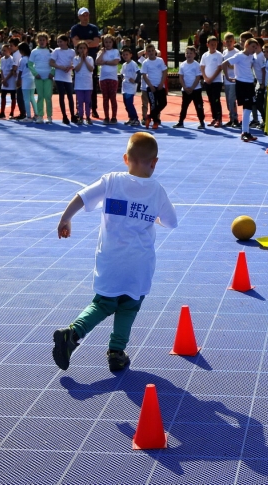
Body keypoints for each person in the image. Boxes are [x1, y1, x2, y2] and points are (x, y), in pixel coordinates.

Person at [52, 132, 178, 372]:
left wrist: (65, 219)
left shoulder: (111, 181)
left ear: (125, 158)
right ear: (155, 162)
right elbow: (171, 222)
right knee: (129, 306)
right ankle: (116, 352)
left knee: (102, 303)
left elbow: (82, 196)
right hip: (139, 265)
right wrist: (155, 218)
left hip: (110, 261)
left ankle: (73, 333)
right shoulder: (156, 190)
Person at [222, 37, 260, 142]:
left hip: (249, 84)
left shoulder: (251, 56)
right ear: (246, 46)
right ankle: (244, 132)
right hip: (242, 84)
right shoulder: (239, 56)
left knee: (248, 108)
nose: (254, 49)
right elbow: (224, 64)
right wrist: (228, 78)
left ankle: (246, 132)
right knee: (247, 108)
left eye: (255, 47)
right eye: (253, 47)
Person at [70, 8, 102, 118]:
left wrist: (83, 41)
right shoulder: (75, 28)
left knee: (92, 85)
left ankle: (93, 108)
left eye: (87, 15)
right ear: (79, 16)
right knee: (78, 86)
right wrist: (89, 41)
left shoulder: (93, 28)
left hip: (91, 59)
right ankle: (78, 110)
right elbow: (75, 43)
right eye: (83, 15)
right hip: (78, 60)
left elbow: (96, 43)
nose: (85, 17)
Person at [174, 46, 205, 129]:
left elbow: (198, 77)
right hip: (185, 90)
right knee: (184, 107)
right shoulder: (182, 65)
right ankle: (180, 122)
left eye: (191, 53)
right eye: (187, 53)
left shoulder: (196, 65)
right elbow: (181, 77)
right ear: (185, 54)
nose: (189, 55)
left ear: (194, 54)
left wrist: (192, 88)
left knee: (199, 106)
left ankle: (202, 122)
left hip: (196, 90)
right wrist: (184, 87)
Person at [50, 34, 77, 125]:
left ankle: (73, 115)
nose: (59, 43)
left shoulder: (72, 51)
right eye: (58, 41)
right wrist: (59, 67)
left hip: (68, 77)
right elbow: (51, 62)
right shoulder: (56, 51)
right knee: (62, 96)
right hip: (59, 77)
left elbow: (75, 63)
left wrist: (70, 67)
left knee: (70, 96)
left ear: (66, 42)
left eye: (61, 41)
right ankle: (64, 116)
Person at [141, 43, 168, 129]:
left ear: (155, 51)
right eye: (149, 51)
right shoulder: (145, 63)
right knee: (153, 104)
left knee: (163, 103)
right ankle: (155, 122)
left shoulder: (160, 60)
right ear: (146, 53)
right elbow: (144, 75)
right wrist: (150, 86)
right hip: (150, 87)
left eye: (152, 50)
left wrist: (161, 83)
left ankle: (149, 116)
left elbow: (164, 72)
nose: (151, 52)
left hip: (160, 85)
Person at [30, 32, 54, 124]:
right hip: (38, 77)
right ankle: (40, 116)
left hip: (48, 77)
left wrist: (52, 72)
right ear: (37, 41)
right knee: (40, 97)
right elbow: (30, 64)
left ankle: (49, 116)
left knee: (48, 97)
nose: (42, 41)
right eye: (40, 40)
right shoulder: (34, 51)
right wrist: (35, 74)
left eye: (43, 40)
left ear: (47, 41)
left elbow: (54, 63)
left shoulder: (51, 51)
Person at [200, 36, 224, 128]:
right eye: (211, 44)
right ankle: (214, 117)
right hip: (207, 82)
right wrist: (206, 78)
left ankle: (219, 119)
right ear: (207, 45)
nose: (213, 46)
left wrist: (211, 78)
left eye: (215, 44)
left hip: (216, 82)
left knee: (216, 100)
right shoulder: (205, 55)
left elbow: (219, 68)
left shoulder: (219, 55)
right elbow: (202, 67)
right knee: (210, 100)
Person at [96, 34, 121, 124]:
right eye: (106, 42)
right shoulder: (101, 52)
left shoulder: (115, 51)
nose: (108, 44)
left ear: (112, 42)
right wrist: (102, 53)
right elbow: (97, 62)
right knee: (105, 98)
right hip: (103, 77)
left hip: (112, 78)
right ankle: (106, 116)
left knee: (113, 98)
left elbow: (115, 62)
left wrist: (105, 62)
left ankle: (114, 116)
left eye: (109, 42)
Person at [73, 41, 95, 125]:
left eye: (84, 48)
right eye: (80, 48)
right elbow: (77, 69)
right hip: (79, 85)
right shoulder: (75, 59)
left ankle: (88, 117)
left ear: (87, 49)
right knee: (80, 102)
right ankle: (81, 117)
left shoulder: (90, 59)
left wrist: (85, 60)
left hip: (88, 85)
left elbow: (91, 69)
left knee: (87, 101)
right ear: (78, 49)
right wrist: (81, 60)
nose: (82, 50)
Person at [221, 32, 239, 128]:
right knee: (228, 100)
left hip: (233, 79)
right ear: (224, 42)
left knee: (232, 100)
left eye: (230, 41)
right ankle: (231, 118)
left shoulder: (236, 52)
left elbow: (235, 65)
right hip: (226, 79)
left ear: (234, 42)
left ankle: (235, 118)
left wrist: (227, 65)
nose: (228, 43)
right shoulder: (224, 52)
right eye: (227, 41)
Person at [0, 43, 18, 119]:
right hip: (4, 80)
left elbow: (12, 71)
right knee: (3, 96)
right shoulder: (2, 59)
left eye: (5, 50)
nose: (3, 52)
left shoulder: (12, 59)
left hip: (10, 80)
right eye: (2, 50)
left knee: (13, 96)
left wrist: (6, 79)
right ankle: (2, 112)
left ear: (9, 51)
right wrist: (3, 79)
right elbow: (2, 70)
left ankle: (12, 112)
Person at [119, 46, 139, 126]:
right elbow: (121, 73)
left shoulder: (133, 64)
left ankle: (135, 118)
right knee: (126, 104)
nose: (125, 56)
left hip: (131, 87)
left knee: (130, 103)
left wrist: (135, 81)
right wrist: (123, 78)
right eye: (123, 55)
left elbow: (139, 72)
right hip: (125, 87)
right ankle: (131, 118)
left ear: (131, 55)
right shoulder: (124, 65)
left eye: (127, 54)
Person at [17, 42, 36, 123]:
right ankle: (37, 114)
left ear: (21, 50)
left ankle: (28, 116)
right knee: (32, 98)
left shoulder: (22, 59)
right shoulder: (31, 58)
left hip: (25, 79)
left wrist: (18, 80)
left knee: (26, 99)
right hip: (32, 78)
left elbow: (20, 71)